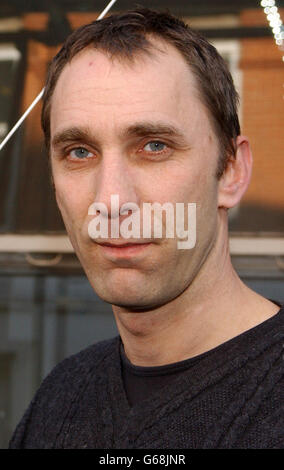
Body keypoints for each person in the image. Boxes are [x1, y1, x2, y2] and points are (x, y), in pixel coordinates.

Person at [9, 8, 283, 449]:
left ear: (230, 172)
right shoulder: (60, 396)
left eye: (154, 146)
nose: (112, 200)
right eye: (79, 152)